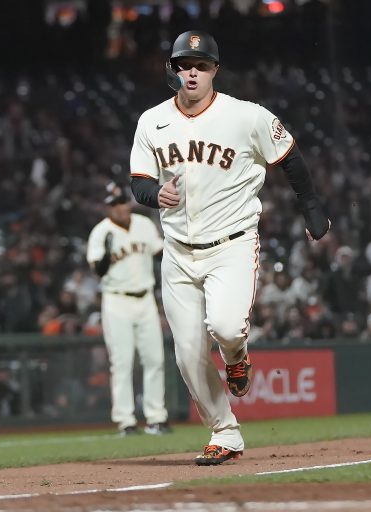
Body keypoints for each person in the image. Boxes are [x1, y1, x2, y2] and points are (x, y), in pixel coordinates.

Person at [129, 30, 330, 465]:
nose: (193, 72)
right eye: (185, 65)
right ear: (174, 70)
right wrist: (151, 196)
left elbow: (289, 157)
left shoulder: (246, 117)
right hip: (178, 252)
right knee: (186, 354)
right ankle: (225, 432)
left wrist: (310, 206)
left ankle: (236, 358)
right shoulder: (152, 121)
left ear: (215, 70)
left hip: (232, 244)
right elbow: (139, 180)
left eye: (201, 65)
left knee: (225, 328)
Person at [86, 182, 171, 436]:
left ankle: (156, 418)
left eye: (122, 202)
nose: (120, 207)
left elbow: (161, 254)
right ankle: (126, 421)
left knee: (154, 359)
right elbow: (98, 271)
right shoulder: (100, 232)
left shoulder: (144, 225)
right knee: (122, 362)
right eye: (114, 204)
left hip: (145, 299)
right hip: (116, 301)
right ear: (108, 208)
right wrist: (106, 254)